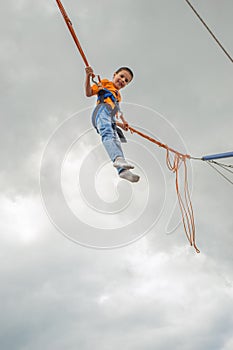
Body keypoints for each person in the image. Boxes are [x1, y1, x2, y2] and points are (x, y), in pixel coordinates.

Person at [85, 66, 140, 183]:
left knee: (116, 141)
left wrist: (122, 123)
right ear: (114, 75)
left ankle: (122, 171)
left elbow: (115, 113)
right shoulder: (105, 83)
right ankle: (118, 158)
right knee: (107, 133)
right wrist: (88, 76)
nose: (122, 81)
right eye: (121, 76)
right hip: (101, 110)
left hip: (109, 117)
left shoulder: (118, 96)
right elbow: (88, 93)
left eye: (126, 81)